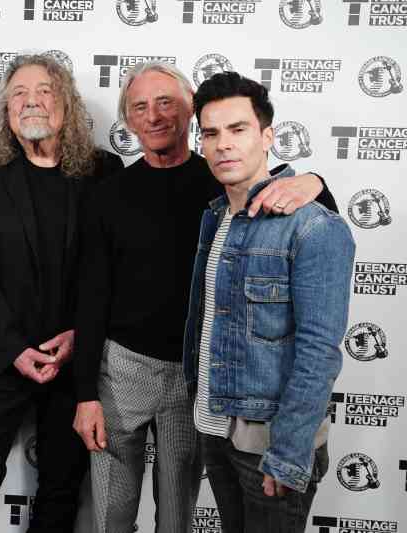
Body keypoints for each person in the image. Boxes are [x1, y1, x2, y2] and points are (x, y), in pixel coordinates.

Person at [72, 61, 337, 533]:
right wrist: (85, 394)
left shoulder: (223, 182)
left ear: (188, 112)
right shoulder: (111, 194)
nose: (153, 116)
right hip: (123, 370)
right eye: (139, 107)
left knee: (177, 516)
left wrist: (315, 180)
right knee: (111, 511)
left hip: (192, 378)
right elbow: (91, 295)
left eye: (166, 103)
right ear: (128, 120)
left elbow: (313, 221)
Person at [0, 54, 123, 533]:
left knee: (63, 488)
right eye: (19, 93)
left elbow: (109, 272)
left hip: (76, 362)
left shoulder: (105, 171)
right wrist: (13, 349)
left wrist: (78, 338)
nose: (31, 101)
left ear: (66, 102)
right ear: (6, 110)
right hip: (5, 355)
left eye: (44, 90)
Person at [185, 71, 353, 533]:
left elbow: (319, 352)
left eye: (238, 130)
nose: (223, 145)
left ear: (267, 136)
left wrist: (289, 453)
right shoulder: (214, 216)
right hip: (216, 432)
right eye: (211, 134)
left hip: (274, 444)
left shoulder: (314, 228)